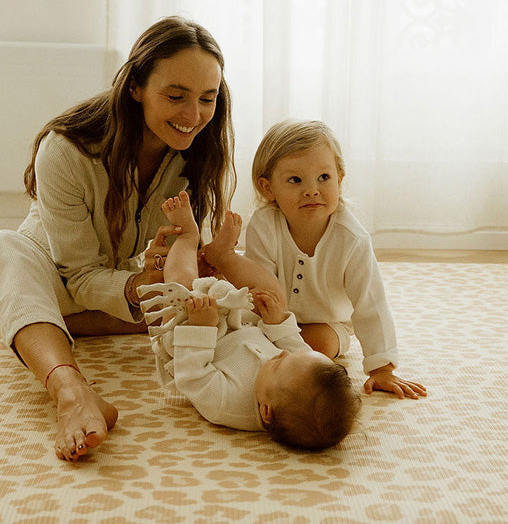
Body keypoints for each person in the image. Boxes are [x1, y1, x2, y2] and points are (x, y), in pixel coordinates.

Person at [0, 15, 234, 461]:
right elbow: (78, 274)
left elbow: (185, 258)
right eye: (175, 96)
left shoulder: (197, 154)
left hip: (122, 288)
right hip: (58, 282)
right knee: (3, 248)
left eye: (207, 99)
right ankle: (71, 390)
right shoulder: (65, 150)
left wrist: (180, 264)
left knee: (214, 287)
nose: (193, 116)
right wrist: (139, 289)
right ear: (135, 86)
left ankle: (38, 328)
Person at [139, 191, 358, 450]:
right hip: (239, 325)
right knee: (273, 293)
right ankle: (224, 256)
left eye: (278, 365)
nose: (281, 354)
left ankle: (187, 236)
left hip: (190, 333)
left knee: (181, 287)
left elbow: (192, 377)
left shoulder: (226, 404)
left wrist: (201, 327)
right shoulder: (294, 370)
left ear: (266, 412)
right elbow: (292, 342)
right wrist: (277, 321)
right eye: (288, 355)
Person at [246, 119, 426, 399]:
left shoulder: (352, 239)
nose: (312, 190)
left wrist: (382, 368)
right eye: (295, 180)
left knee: (314, 348)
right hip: (269, 317)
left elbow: (371, 304)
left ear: (340, 178)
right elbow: (259, 284)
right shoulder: (263, 225)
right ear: (268, 188)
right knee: (241, 339)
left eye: (324, 178)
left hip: (327, 325)